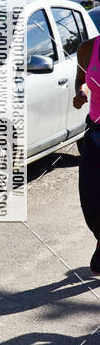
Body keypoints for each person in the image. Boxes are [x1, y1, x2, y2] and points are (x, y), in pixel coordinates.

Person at [73, 34, 100, 276]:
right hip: (96, 134)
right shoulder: (88, 49)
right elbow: (80, 80)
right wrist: (80, 93)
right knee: (89, 200)